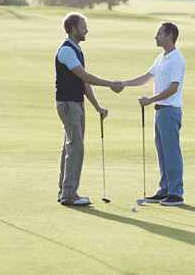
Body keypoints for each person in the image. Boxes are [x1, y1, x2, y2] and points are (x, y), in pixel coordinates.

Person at [55, 12, 123, 206]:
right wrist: (110, 83)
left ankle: (65, 191)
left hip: (75, 104)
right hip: (68, 104)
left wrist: (97, 107)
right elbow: (84, 76)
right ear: (73, 29)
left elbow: (84, 84)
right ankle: (69, 194)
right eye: (83, 26)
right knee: (75, 146)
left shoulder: (77, 50)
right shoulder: (67, 50)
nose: (86, 29)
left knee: (71, 146)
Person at [119, 22, 186, 206]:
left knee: (171, 152)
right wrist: (122, 83)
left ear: (169, 35)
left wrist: (151, 99)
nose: (156, 37)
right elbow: (145, 78)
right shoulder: (161, 58)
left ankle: (176, 193)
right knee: (162, 152)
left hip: (170, 110)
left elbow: (173, 88)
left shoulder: (177, 59)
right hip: (160, 112)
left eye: (159, 34)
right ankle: (164, 189)